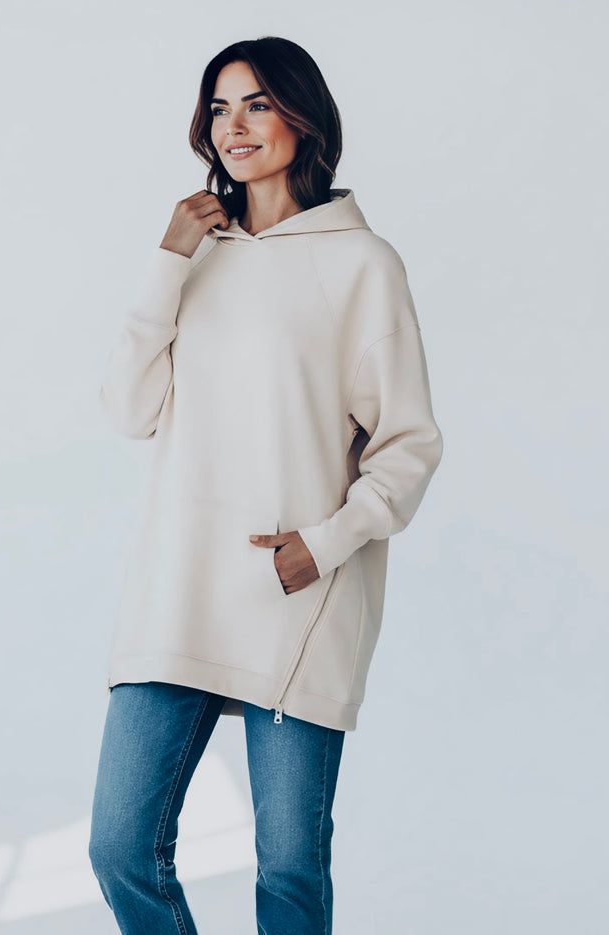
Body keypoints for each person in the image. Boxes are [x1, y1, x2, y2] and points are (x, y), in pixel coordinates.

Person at [88, 35, 443, 935]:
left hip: (297, 599)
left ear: (302, 116)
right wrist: (168, 257)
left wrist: (322, 545)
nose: (234, 126)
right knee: (120, 847)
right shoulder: (196, 258)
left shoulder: (362, 263)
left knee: (288, 867)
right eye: (220, 107)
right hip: (179, 592)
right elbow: (129, 407)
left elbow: (407, 444)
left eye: (256, 103)